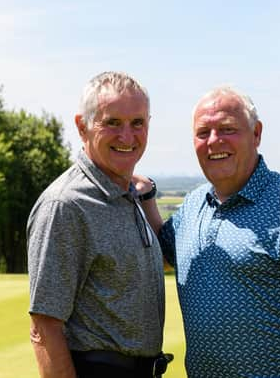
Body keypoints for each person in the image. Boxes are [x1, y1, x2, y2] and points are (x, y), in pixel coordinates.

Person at [136, 86, 280, 377]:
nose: (214, 141)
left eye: (227, 129)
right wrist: (147, 198)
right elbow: (162, 256)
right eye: (202, 132)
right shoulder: (193, 204)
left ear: (257, 133)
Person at [27, 71, 172, 378]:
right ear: (83, 127)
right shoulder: (65, 205)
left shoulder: (126, 194)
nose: (127, 137)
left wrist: (146, 196)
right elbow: (44, 327)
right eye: (112, 123)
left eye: (137, 123)